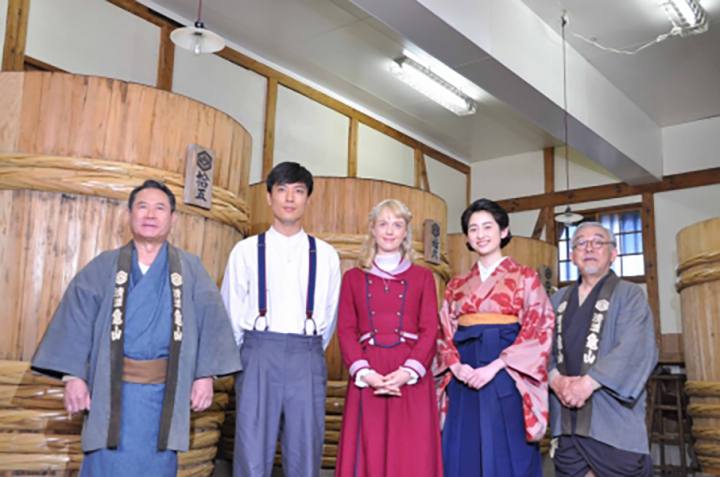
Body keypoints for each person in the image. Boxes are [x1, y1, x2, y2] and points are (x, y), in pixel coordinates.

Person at [31, 179, 241, 476]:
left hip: (164, 396)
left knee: (157, 464)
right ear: (129, 214)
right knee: (106, 462)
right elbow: (76, 319)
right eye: (142, 207)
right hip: (110, 393)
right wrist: (74, 377)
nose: (150, 215)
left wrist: (204, 375)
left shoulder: (190, 269)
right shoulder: (104, 266)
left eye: (160, 208)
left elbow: (212, 320)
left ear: (173, 218)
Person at [221, 162, 341, 477]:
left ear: (308, 199)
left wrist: (308, 348)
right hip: (258, 354)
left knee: (306, 452)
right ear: (269, 197)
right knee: (251, 452)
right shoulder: (245, 251)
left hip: (307, 355)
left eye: (298, 191)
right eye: (282, 190)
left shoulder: (326, 255)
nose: (290, 198)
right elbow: (231, 309)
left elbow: (330, 314)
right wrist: (249, 355)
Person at [435, 198, 554, 477]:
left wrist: (496, 366)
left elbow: (539, 326)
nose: (480, 234)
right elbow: (443, 331)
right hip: (464, 374)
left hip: (506, 372)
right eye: (473, 229)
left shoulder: (525, 277)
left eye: (488, 227)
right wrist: (456, 367)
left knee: (505, 448)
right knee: (462, 448)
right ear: (467, 237)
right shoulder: (456, 284)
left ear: (503, 231)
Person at [334, 199, 443, 477]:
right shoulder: (353, 278)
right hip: (369, 370)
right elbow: (346, 329)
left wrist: (408, 372)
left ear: (406, 231)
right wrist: (365, 373)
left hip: (410, 374)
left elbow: (430, 329)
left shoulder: (423, 277)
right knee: (368, 448)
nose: (390, 231)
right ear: (372, 228)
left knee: (410, 453)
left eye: (397, 224)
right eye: (383, 223)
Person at [549, 221, 657, 477]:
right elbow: (539, 349)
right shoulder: (556, 300)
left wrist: (587, 384)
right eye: (581, 243)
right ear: (572, 255)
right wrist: (555, 380)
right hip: (566, 420)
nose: (589, 248)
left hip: (612, 421)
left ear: (613, 253)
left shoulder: (630, 295)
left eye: (598, 242)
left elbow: (635, 347)